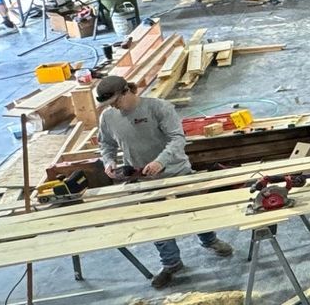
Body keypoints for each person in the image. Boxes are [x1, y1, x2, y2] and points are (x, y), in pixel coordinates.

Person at [94, 74, 234, 285]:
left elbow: (177, 138)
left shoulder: (158, 108)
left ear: (127, 91)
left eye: (116, 101)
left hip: (176, 171)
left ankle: (209, 240)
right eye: (109, 104)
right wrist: (108, 161)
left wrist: (161, 161)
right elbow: (106, 144)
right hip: (142, 178)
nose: (113, 107)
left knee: (194, 210)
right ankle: (171, 263)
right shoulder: (108, 117)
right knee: (156, 222)